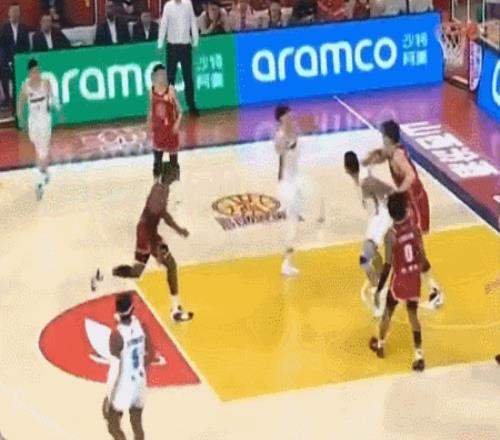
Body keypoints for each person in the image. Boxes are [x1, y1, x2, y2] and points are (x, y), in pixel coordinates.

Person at [362, 120, 444, 309]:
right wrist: (371, 158)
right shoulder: (392, 151)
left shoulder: (398, 156)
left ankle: (435, 291)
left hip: (415, 203)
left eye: (383, 136)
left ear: (387, 138)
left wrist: (398, 192)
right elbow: (382, 154)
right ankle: (424, 287)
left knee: (416, 249)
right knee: (409, 247)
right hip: (409, 202)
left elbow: (411, 176)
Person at [100, 162, 193, 323]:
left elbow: (163, 214)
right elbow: (159, 216)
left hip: (146, 230)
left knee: (136, 272)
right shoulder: (157, 192)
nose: (176, 175)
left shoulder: (164, 188)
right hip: (147, 233)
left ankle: (105, 273)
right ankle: (175, 310)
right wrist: (158, 248)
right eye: (174, 173)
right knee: (171, 265)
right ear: (167, 174)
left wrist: (177, 230)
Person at [369, 193, 426, 372]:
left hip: (399, 280)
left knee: (388, 312)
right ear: (405, 209)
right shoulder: (415, 229)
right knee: (413, 315)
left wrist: (379, 288)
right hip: (414, 277)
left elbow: (387, 265)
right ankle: (419, 355)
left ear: (391, 214)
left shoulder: (391, 235)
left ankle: (380, 344)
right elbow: (422, 257)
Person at [344, 151, 394, 314]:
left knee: (364, 260)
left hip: (380, 220)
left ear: (346, 168)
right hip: (375, 219)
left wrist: (389, 207)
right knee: (374, 255)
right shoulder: (360, 173)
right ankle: (382, 283)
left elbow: (390, 190)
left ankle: (379, 299)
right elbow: (370, 160)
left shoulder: (367, 182)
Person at [103, 292, 152, 440]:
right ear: (132, 309)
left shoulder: (116, 335)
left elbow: (114, 367)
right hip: (140, 380)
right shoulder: (141, 326)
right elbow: (151, 354)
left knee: (112, 424)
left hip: (125, 384)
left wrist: (109, 395)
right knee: (137, 423)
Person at [17, 59, 61, 201]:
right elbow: (20, 103)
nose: (36, 74)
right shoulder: (25, 86)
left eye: (38, 71)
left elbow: (53, 99)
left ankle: (39, 182)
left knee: (42, 150)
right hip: (33, 122)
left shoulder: (46, 83)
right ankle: (44, 171)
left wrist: (59, 111)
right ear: (29, 73)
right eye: (33, 72)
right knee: (39, 149)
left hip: (45, 121)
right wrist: (20, 118)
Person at [274, 105, 304, 277]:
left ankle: (288, 260)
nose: (291, 117)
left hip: (295, 182)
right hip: (286, 184)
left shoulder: (295, 133)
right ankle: (286, 263)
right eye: (287, 115)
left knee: (295, 225)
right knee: (292, 224)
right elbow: (279, 151)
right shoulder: (280, 136)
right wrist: (285, 140)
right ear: (281, 118)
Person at [157, 0, 200, 117]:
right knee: (170, 78)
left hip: (185, 46)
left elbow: (193, 22)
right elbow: (164, 25)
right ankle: (170, 107)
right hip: (172, 46)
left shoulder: (188, 4)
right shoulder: (168, 6)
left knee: (188, 78)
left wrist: (195, 41)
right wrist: (160, 43)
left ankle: (191, 105)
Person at [148, 64, 182, 180]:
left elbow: (180, 111)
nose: (162, 77)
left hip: (170, 131)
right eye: (159, 74)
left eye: (163, 74)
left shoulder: (171, 90)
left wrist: (177, 124)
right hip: (159, 132)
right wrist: (149, 124)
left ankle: (175, 183)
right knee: (157, 163)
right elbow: (151, 109)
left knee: (173, 164)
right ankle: (156, 184)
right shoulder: (152, 91)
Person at [0, 2, 30, 110]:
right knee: (3, 70)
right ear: (9, 13)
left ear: (19, 13)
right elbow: (2, 47)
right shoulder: (4, 28)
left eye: (16, 11)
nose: (14, 14)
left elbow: (27, 46)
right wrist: (6, 61)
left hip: (20, 59)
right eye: (12, 11)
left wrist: (22, 59)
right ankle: (7, 98)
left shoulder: (24, 28)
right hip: (7, 60)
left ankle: (21, 97)